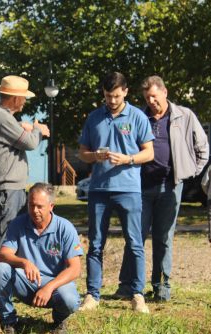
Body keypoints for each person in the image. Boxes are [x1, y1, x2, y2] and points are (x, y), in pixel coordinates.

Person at [117, 76, 209, 301]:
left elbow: (202, 148)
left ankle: (161, 288)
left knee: (163, 237)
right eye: (147, 97)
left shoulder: (184, 116)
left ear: (165, 93)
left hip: (170, 186)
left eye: (154, 96)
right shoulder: (138, 116)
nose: (151, 101)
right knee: (134, 236)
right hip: (139, 187)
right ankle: (128, 286)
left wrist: (189, 172)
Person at [77, 72, 155, 313]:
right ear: (103, 93)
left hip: (129, 189)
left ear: (126, 92)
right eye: (108, 96)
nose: (112, 101)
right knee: (96, 243)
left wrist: (129, 158)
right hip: (99, 189)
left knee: (134, 243)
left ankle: (137, 294)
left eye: (117, 96)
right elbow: (82, 152)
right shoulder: (93, 118)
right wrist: (94, 157)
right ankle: (92, 294)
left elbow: (149, 153)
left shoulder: (138, 117)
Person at [0, 75, 50, 308]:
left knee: (10, 241)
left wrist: (27, 128)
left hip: (10, 188)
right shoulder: (0, 116)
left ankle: (4, 289)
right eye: (23, 99)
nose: (24, 104)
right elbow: (30, 143)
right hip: (7, 189)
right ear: (14, 98)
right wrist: (39, 130)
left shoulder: (2, 117)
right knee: (2, 241)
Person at [0, 183, 82, 334]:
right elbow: (3, 255)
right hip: (27, 282)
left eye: (39, 206)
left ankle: (60, 320)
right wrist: (24, 262)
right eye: (31, 205)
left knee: (71, 300)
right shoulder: (18, 223)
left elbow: (75, 269)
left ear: (51, 206)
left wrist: (49, 287)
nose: (34, 211)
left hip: (55, 287)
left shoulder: (65, 228)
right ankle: (8, 321)